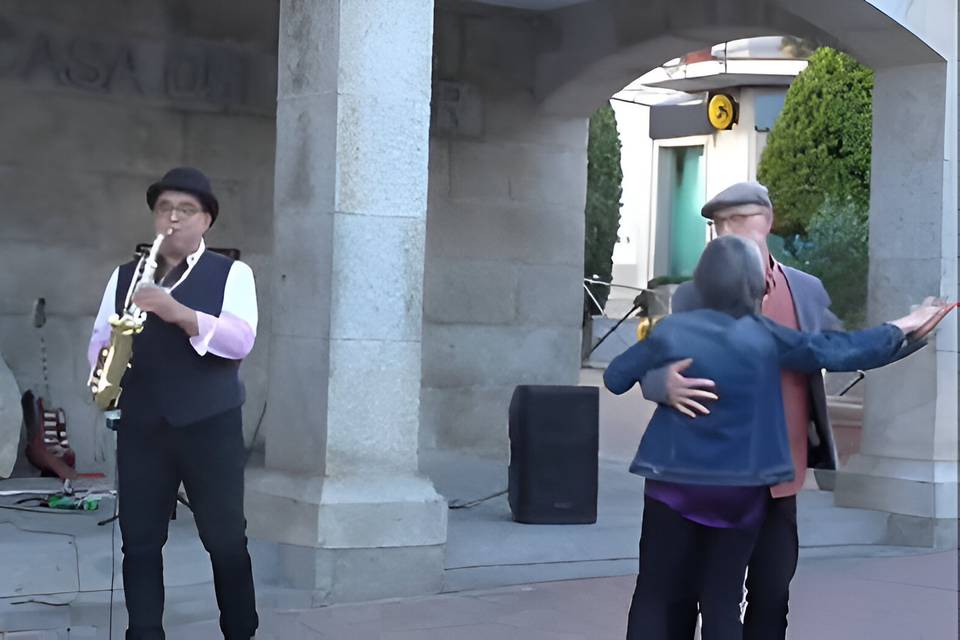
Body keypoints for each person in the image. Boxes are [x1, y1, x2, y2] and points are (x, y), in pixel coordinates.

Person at [605, 235, 953, 640]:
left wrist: (661, 377)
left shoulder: (671, 332)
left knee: (655, 593)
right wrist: (905, 327)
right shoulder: (766, 336)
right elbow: (841, 351)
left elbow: (614, 378)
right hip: (740, 491)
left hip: (672, 484)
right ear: (755, 287)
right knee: (722, 601)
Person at [87, 167, 259, 640]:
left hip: (210, 426)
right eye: (165, 208)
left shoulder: (232, 272)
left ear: (206, 220)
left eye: (186, 210)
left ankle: (241, 631)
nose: (173, 219)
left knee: (225, 540)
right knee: (140, 543)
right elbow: (101, 338)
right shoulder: (125, 276)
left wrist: (177, 312)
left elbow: (240, 339)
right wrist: (105, 358)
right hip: (142, 425)